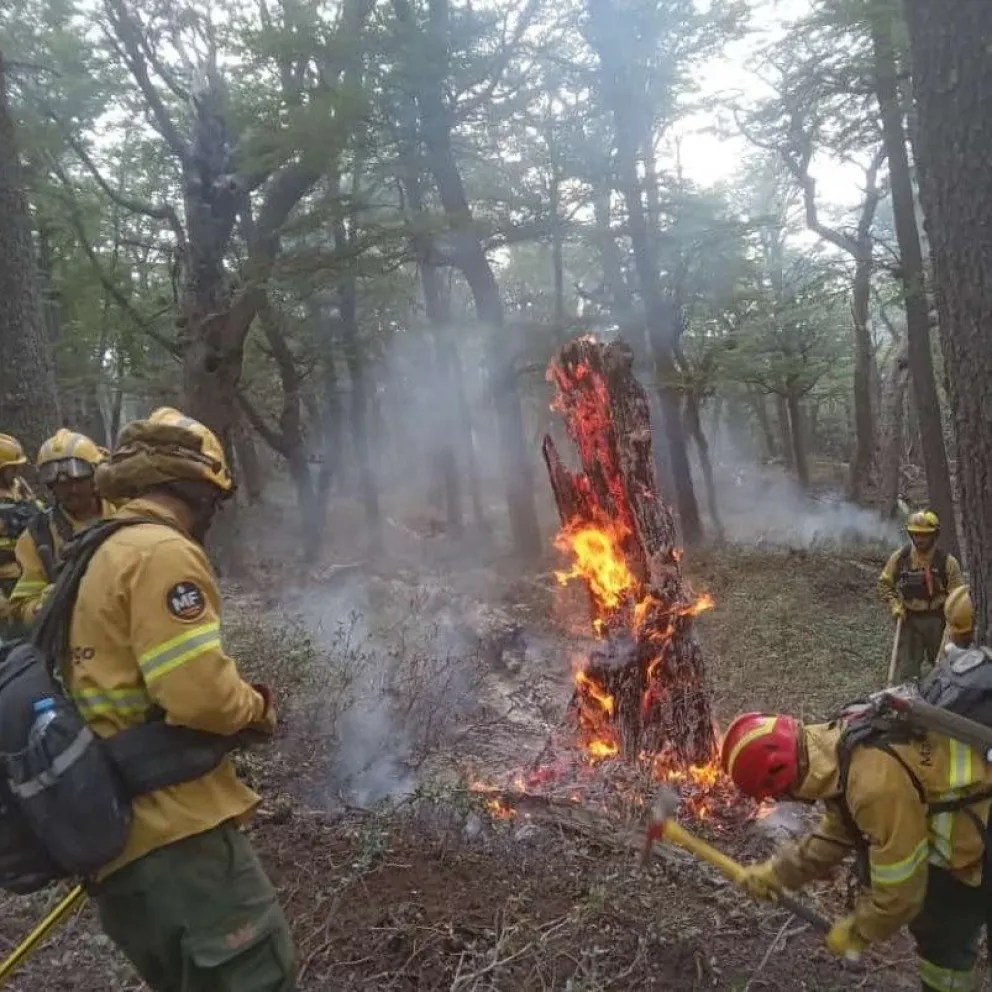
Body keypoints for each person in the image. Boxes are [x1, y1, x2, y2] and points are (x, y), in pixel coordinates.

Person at [68, 406, 296, 991]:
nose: (213, 513)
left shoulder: (95, 552)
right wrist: (256, 708)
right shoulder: (159, 552)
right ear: (192, 488)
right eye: (213, 499)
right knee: (255, 977)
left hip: (122, 844)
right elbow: (201, 698)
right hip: (178, 837)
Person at [721, 710, 991, 991]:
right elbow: (838, 832)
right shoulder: (839, 745)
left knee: (944, 934)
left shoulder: (871, 787)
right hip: (970, 839)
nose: (781, 801)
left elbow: (901, 892)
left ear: (779, 776)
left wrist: (859, 930)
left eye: (776, 796)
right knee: (941, 932)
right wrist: (778, 874)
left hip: (981, 838)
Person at [6, 428, 115, 627]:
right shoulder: (38, 535)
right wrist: (42, 605)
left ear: (96, 474)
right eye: (58, 484)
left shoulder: (125, 512)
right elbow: (20, 606)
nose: (69, 489)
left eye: (77, 480)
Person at [878, 510, 964, 682]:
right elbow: (884, 584)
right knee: (907, 671)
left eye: (924, 535)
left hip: (938, 621)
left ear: (934, 535)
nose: (919, 539)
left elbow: (958, 595)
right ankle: (907, 703)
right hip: (908, 619)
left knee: (945, 668)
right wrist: (895, 605)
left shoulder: (947, 562)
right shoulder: (900, 558)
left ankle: (941, 702)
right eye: (915, 534)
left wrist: (952, 619)